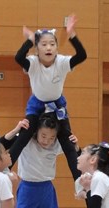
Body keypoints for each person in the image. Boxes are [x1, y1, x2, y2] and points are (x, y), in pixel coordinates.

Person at [10, 15, 87, 180]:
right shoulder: (33, 62)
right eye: (43, 44)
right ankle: (4, 169)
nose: (48, 48)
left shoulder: (62, 62)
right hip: (36, 105)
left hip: (57, 105)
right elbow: (18, 58)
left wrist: (71, 34)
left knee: (67, 142)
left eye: (52, 44)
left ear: (57, 48)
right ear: (37, 49)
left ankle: (80, 182)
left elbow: (82, 55)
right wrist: (30, 40)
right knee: (24, 135)